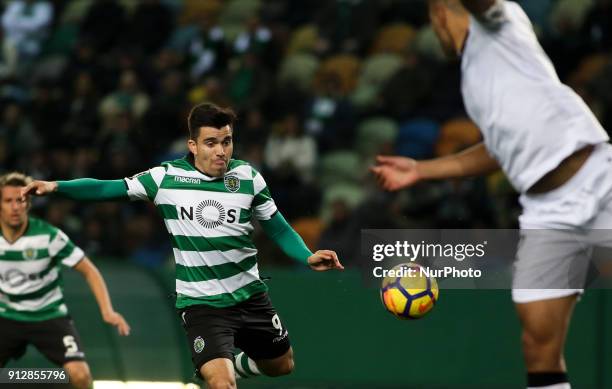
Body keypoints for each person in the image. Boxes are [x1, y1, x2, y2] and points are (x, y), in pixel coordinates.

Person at [371, 1, 612, 389]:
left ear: (440, 13)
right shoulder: (472, 77)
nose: (433, 32)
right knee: (537, 344)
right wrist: (421, 169)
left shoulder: (497, 22)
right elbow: (498, 148)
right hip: (546, 212)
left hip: (597, 181)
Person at [22, 102, 344, 389]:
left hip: (250, 296)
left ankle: (234, 365)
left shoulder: (248, 177)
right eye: (211, 143)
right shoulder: (165, 178)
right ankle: (220, 370)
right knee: (222, 383)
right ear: (193, 145)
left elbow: (279, 228)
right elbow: (108, 189)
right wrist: (55, 186)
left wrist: (307, 255)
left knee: (282, 365)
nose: (221, 151)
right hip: (202, 304)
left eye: (227, 142)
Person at [0, 172, 130, 389]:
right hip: (6, 317)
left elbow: (90, 270)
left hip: (49, 316)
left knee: (79, 376)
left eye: (20, 200)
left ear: (29, 204)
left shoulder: (50, 237)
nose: (15, 206)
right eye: (8, 201)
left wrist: (107, 311)